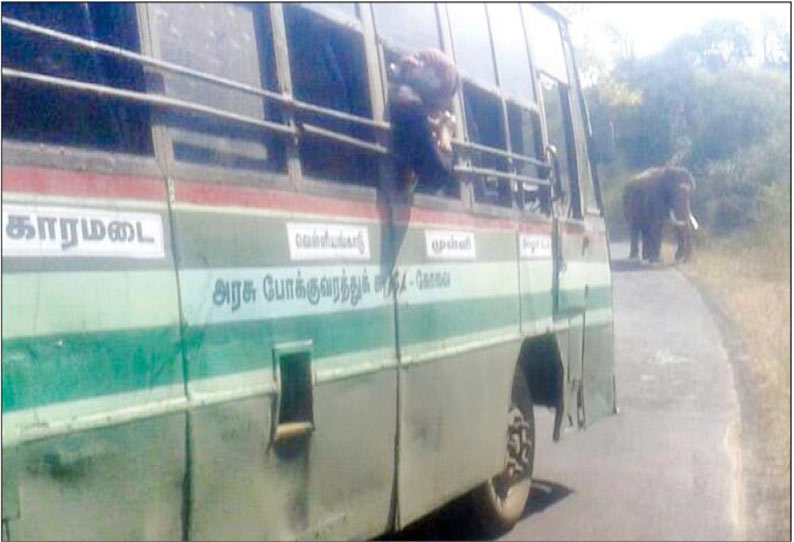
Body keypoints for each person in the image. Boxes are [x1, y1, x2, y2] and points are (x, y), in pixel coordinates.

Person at [388, 49, 460, 195]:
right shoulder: (411, 105)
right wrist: (445, 135)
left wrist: (427, 125)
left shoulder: (398, 94)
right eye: (439, 97)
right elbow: (437, 174)